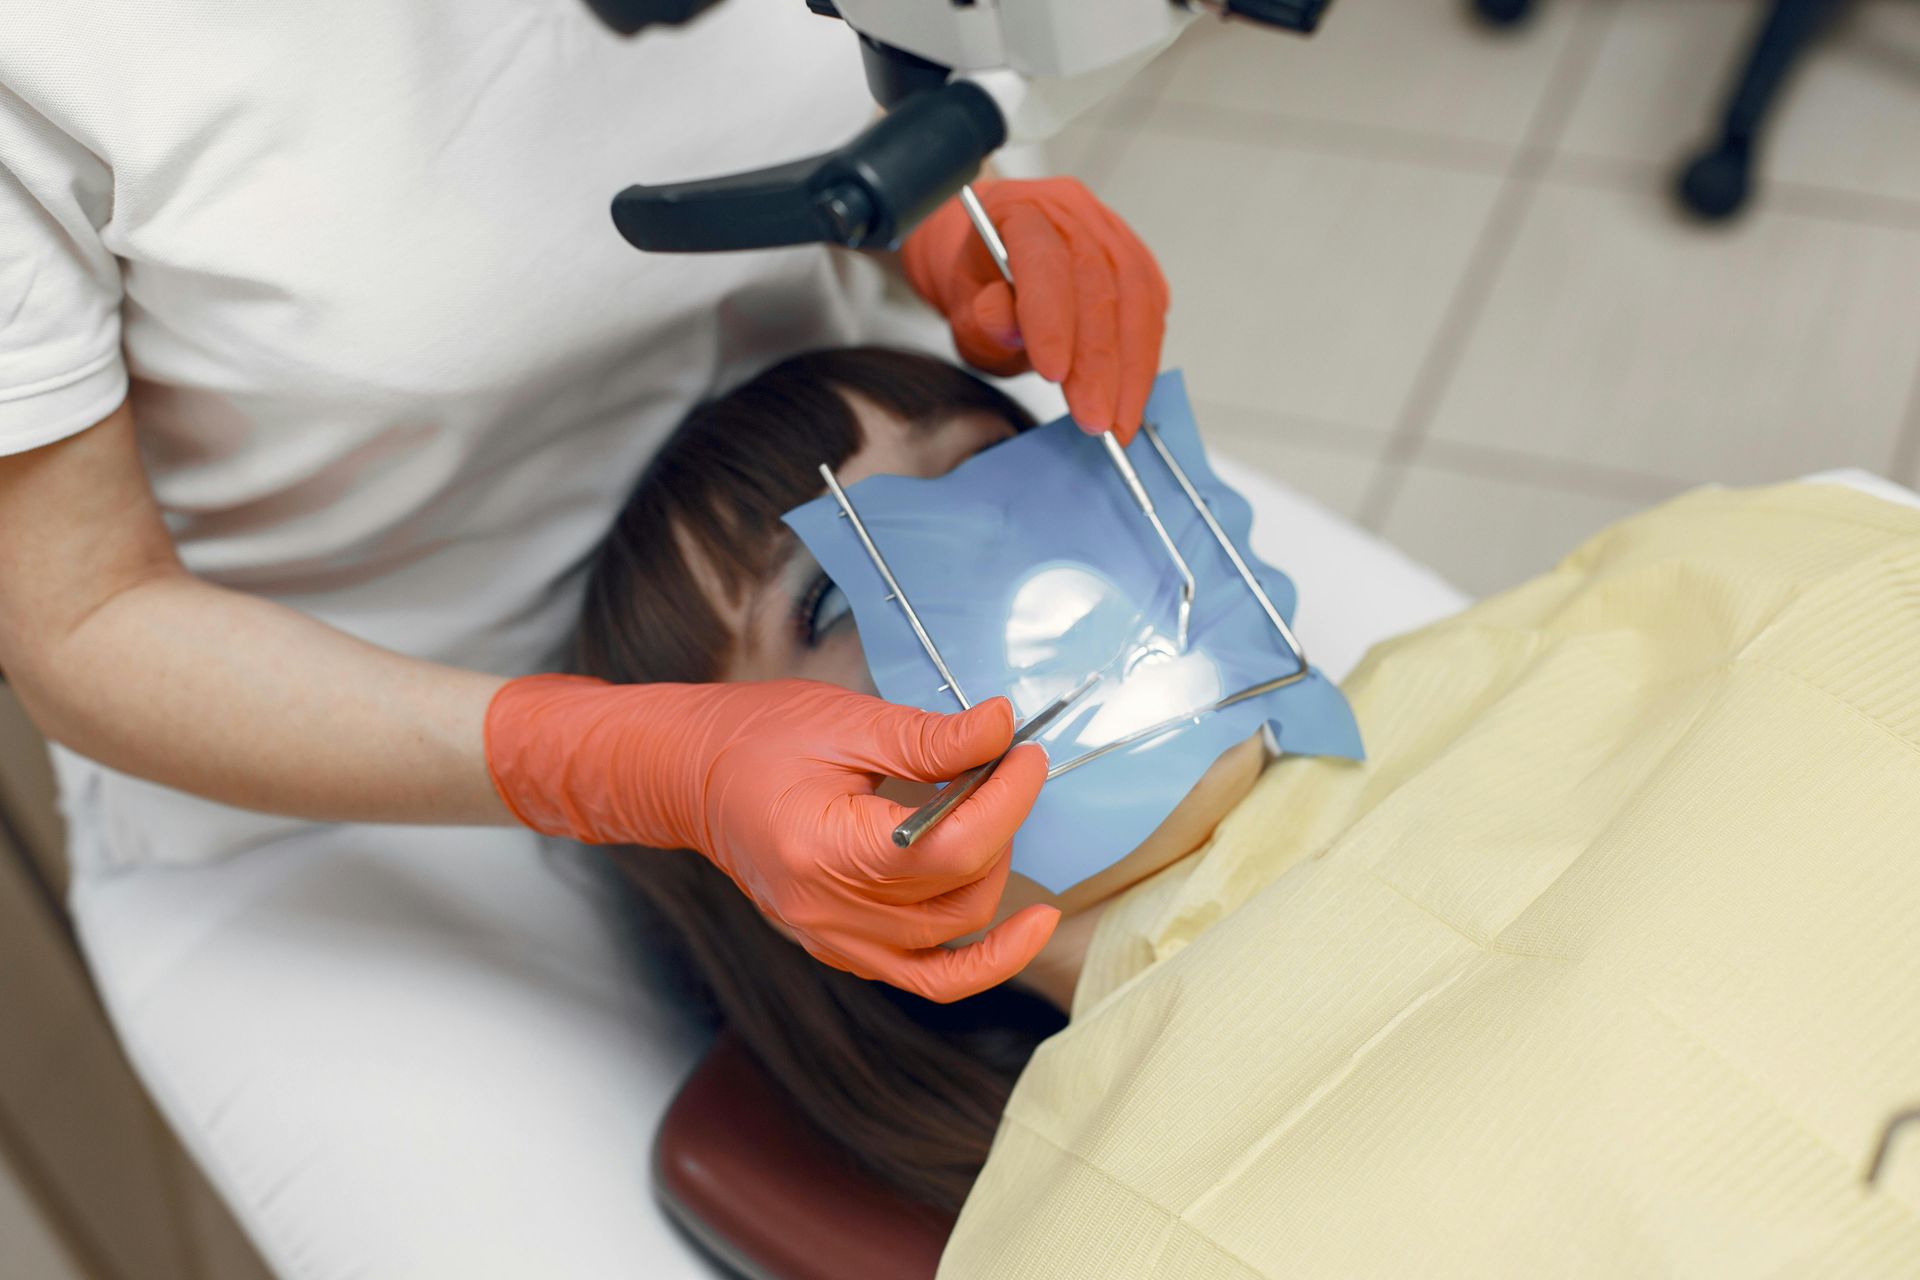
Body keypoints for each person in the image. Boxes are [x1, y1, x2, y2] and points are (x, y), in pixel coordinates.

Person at [0, 0, 1169, 1003]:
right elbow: (85, 616)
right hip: (332, 769)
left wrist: (940, 220)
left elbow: (827, 81)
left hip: (817, 439)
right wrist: (636, 764)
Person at [572, 345, 1272, 1211]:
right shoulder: (1109, 1228)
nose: (982, 542)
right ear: (792, 863)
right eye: (829, 595)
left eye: (989, 466)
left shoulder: (1473, 680)